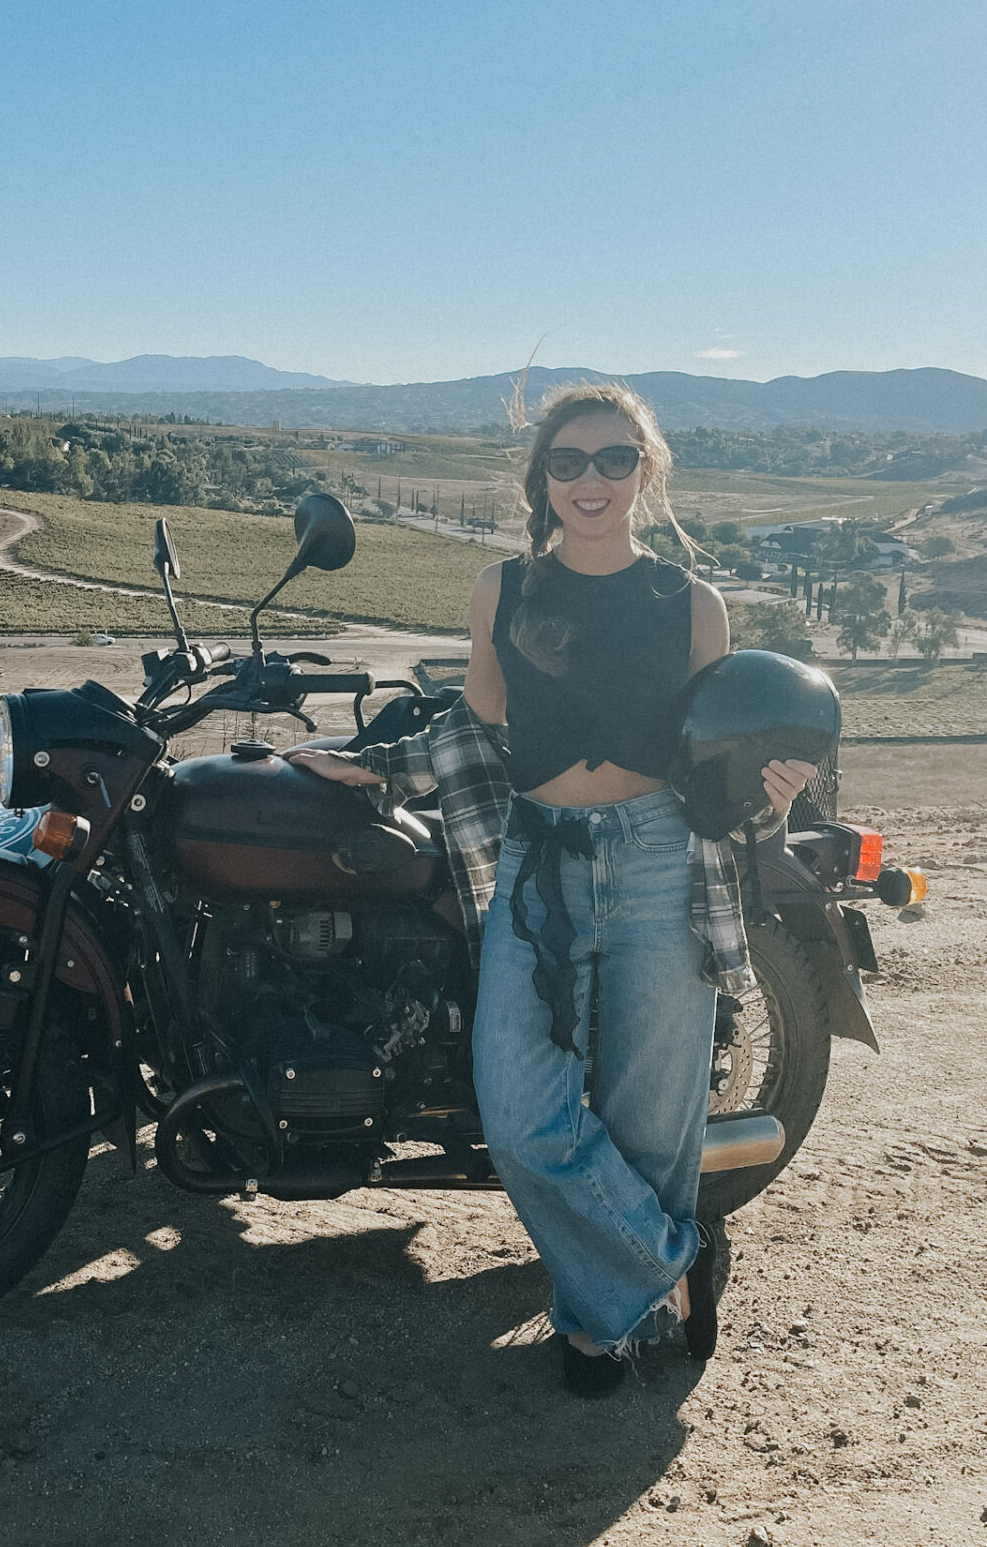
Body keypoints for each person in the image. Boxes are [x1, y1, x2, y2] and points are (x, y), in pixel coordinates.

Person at [291, 384, 813, 1394]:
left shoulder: (690, 604)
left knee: (647, 1116)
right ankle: (673, 1261)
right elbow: (474, 725)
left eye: (612, 461)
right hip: (537, 856)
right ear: (539, 480)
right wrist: (375, 767)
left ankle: (591, 1328)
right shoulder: (502, 589)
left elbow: (719, 754)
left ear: (643, 473)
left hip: (660, 853)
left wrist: (772, 789)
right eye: (566, 463)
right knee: (521, 1111)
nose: (589, 481)